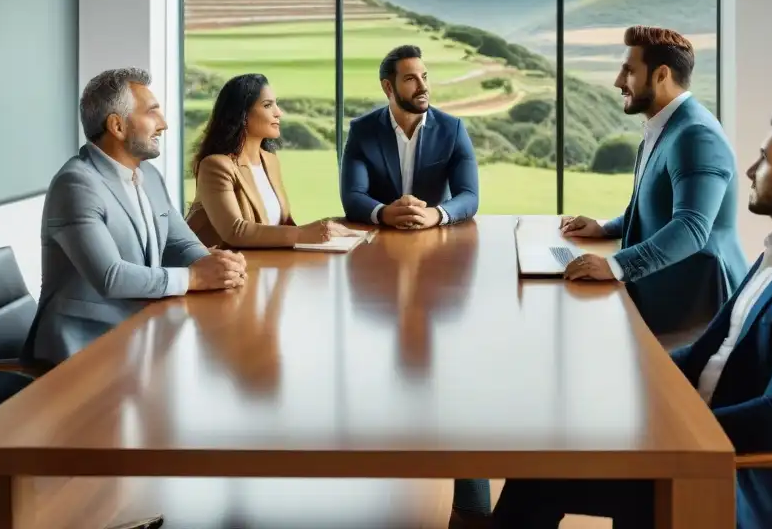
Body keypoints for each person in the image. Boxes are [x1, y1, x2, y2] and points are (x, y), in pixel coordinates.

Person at [490, 104, 772, 529]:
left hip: (737, 478)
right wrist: (621, 382)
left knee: (541, 473)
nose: (749, 170)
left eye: (764, 159)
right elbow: (705, 353)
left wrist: (660, 431)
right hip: (699, 439)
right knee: (549, 454)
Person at [25, 68, 247, 366]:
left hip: (139, 335)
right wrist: (195, 277)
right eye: (152, 113)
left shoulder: (148, 175)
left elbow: (178, 242)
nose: (164, 124)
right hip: (81, 347)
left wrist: (216, 265)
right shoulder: (76, 184)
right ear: (117, 126)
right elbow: (111, 277)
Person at [559, 26, 748, 337]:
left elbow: (691, 228)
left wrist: (614, 266)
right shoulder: (665, 126)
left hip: (696, 310)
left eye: (629, 71)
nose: (618, 82)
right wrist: (607, 228)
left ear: (661, 75)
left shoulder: (696, 135)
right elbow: (656, 205)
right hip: (664, 294)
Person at [185, 73, 358, 248]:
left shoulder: (269, 160)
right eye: (268, 105)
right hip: (225, 268)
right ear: (242, 115)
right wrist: (304, 234)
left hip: (267, 265)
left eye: (276, 104)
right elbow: (235, 231)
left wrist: (328, 228)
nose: (278, 113)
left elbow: (284, 225)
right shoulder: (216, 166)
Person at [340, 45, 479, 230]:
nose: (423, 87)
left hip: (435, 239)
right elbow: (353, 196)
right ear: (388, 87)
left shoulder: (453, 130)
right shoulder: (362, 131)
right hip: (380, 240)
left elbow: (469, 195)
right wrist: (384, 213)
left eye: (424, 77)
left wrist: (435, 214)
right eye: (410, 79)